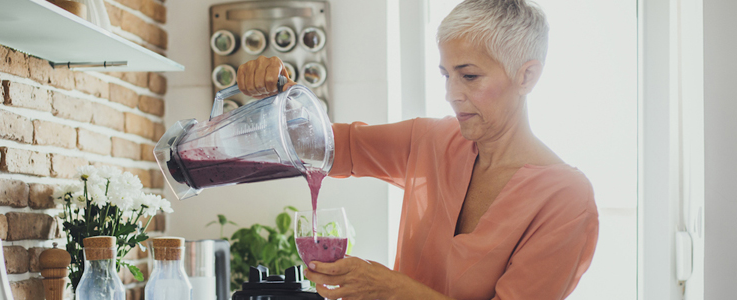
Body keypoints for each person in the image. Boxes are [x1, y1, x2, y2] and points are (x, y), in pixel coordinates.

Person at [237, 0, 599, 299]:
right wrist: (282, 95)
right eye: (446, 74)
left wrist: (391, 288)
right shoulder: (435, 141)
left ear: (527, 76)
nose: (451, 93)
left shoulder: (565, 199)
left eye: (469, 76)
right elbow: (327, 146)